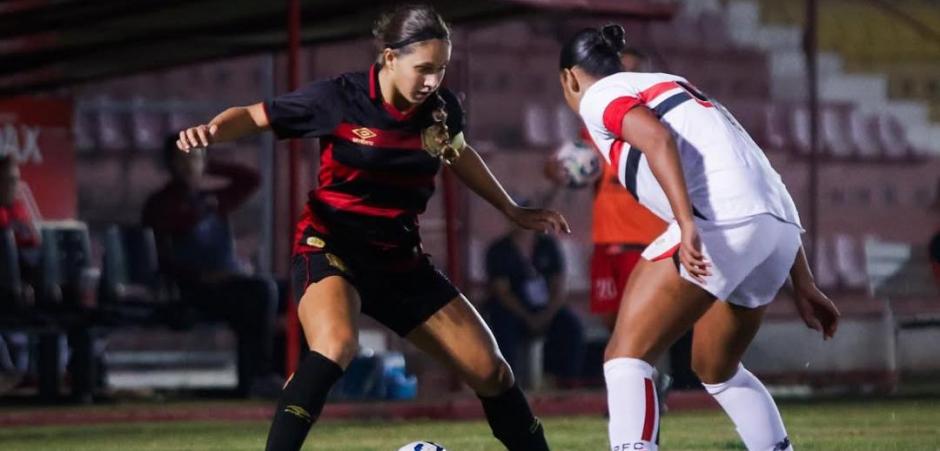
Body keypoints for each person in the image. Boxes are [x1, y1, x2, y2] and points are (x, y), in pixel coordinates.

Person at [175, 5, 569, 451]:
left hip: (400, 260)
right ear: (388, 58)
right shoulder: (340, 98)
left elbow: (458, 154)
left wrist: (511, 208)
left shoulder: (441, 109)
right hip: (330, 246)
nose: (432, 81)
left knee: (492, 371)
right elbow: (255, 115)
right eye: (423, 69)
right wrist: (211, 130)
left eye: (440, 69)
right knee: (335, 345)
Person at [558, 25, 840, 450]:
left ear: (570, 78)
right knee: (717, 369)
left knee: (625, 356)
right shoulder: (672, 84)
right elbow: (759, 169)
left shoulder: (598, 95)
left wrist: (687, 223)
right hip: (776, 227)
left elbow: (656, 138)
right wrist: (802, 278)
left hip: (720, 223)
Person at [142, 137, 281, 398]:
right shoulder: (161, 204)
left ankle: (293, 374)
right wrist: (203, 276)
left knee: (289, 290)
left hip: (228, 282)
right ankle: (259, 375)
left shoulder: (211, 199)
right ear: (170, 162)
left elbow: (251, 179)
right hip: (192, 289)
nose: (189, 164)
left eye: (195, 158)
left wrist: (207, 164)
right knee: (261, 292)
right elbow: (160, 259)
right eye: (183, 158)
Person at [485, 202, 584, 388]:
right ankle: (507, 384)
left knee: (571, 324)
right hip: (515, 310)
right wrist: (528, 317)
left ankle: (566, 381)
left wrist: (546, 314)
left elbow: (559, 286)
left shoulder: (548, 246)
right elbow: (502, 292)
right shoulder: (499, 250)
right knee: (502, 323)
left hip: (545, 309)